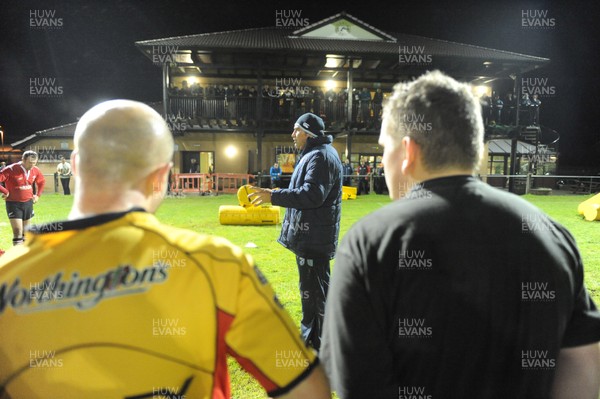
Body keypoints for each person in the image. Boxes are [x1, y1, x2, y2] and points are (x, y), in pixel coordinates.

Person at [0, 100, 331, 398]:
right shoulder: (219, 265)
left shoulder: (7, 275)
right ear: (162, 175)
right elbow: (307, 390)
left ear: (74, 164)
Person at [320, 71, 600, 399]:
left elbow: (358, 385)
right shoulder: (553, 235)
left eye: (385, 148)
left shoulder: (368, 242)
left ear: (408, 152)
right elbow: (584, 369)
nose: (383, 162)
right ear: (477, 151)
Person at [248, 112, 343, 351]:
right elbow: (306, 190)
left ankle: (315, 345)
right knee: (315, 288)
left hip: (314, 238)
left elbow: (311, 195)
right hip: (312, 236)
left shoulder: (320, 157)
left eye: (296, 129)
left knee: (313, 292)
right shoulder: (315, 154)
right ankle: (317, 339)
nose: (292, 134)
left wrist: (273, 196)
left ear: (308, 132)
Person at [0, 150, 45, 246]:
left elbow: (41, 182)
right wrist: (5, 191)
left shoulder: (35, 170)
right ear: (23, 160)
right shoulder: (11, 169)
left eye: (34, 163)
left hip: (28, 203)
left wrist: (37, 195)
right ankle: (17, 255)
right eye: (30, 163)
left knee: (27, 232)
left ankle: (25, 255)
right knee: (17, 231)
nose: (32, 165)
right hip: (13, 204)